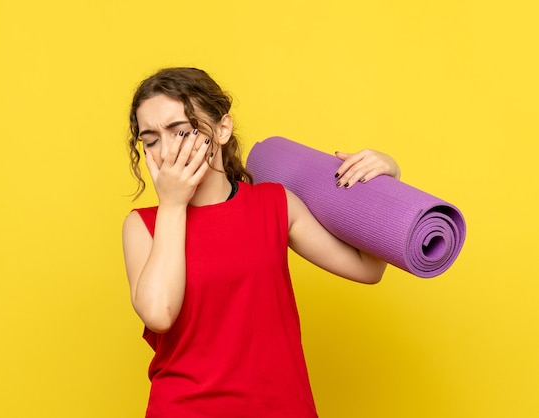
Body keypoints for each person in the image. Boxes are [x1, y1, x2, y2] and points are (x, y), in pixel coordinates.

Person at [122, 67, 401, 418]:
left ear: (222, 129)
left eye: (180, 131)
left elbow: (368, 268)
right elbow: (159, 314)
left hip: (282, 408)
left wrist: (388, 181)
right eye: (151, 140)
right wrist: (173, 204)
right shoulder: (143, 225)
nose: (167, 150)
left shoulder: (275, 204)